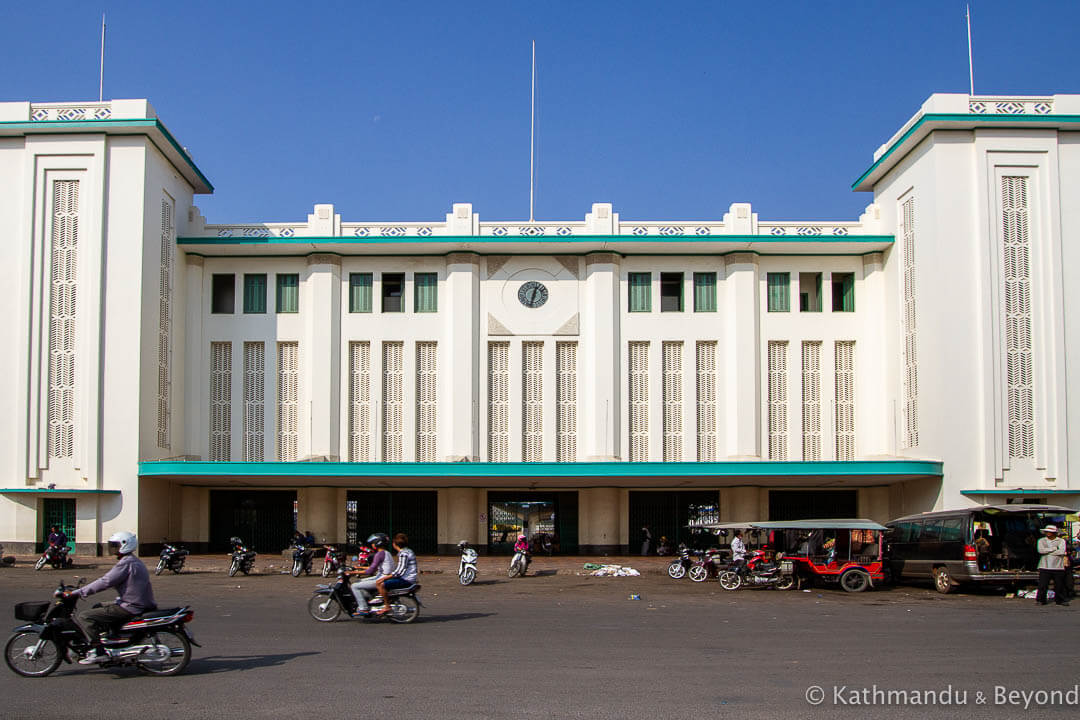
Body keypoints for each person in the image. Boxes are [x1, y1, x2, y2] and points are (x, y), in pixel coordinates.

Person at [67, 531, 156, 664]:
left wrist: (78, 593)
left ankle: (99, 651)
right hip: (138, 602)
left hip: (131, 606)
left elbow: (105, 582)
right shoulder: (132, 560)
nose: (113, 549)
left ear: (125, 545)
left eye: (115, 545)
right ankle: (112, 638)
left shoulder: (126, 563)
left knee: (85, 617)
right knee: (98, 607)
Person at [349, 532, 394, 616]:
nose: (372, 545)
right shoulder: (386, 553)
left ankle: (363, 608)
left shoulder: (379, 554)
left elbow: (370, 571)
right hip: (383, 576)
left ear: (377, 543)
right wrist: (359, 568)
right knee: (360, 581)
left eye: (373, 543)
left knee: (354, 586)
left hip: (381, 578)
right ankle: (369, 599)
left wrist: (352, 572)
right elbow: (376, 567)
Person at [374, 533, 418, 615]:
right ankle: (386, 600)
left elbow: (399, 572)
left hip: (406, 579)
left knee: (380, 584)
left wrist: (385, 578)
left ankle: (387, 606)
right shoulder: (408, 551)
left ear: (395, 544)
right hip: (406, 577)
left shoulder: (404, 554)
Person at [1036, 525, 1069, 606]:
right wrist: (1054, 549)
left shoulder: (1061, 541)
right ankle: (1041, 600)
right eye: (1047, 531)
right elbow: (1040, 551)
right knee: (1043, 585)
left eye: (1050, 532)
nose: (1048, 533)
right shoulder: (1041, 540)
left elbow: (1061, 551)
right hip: (1044, 565)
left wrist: (1047, 551)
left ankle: (1060, 599)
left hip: (1058, 566)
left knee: (1059, 585)